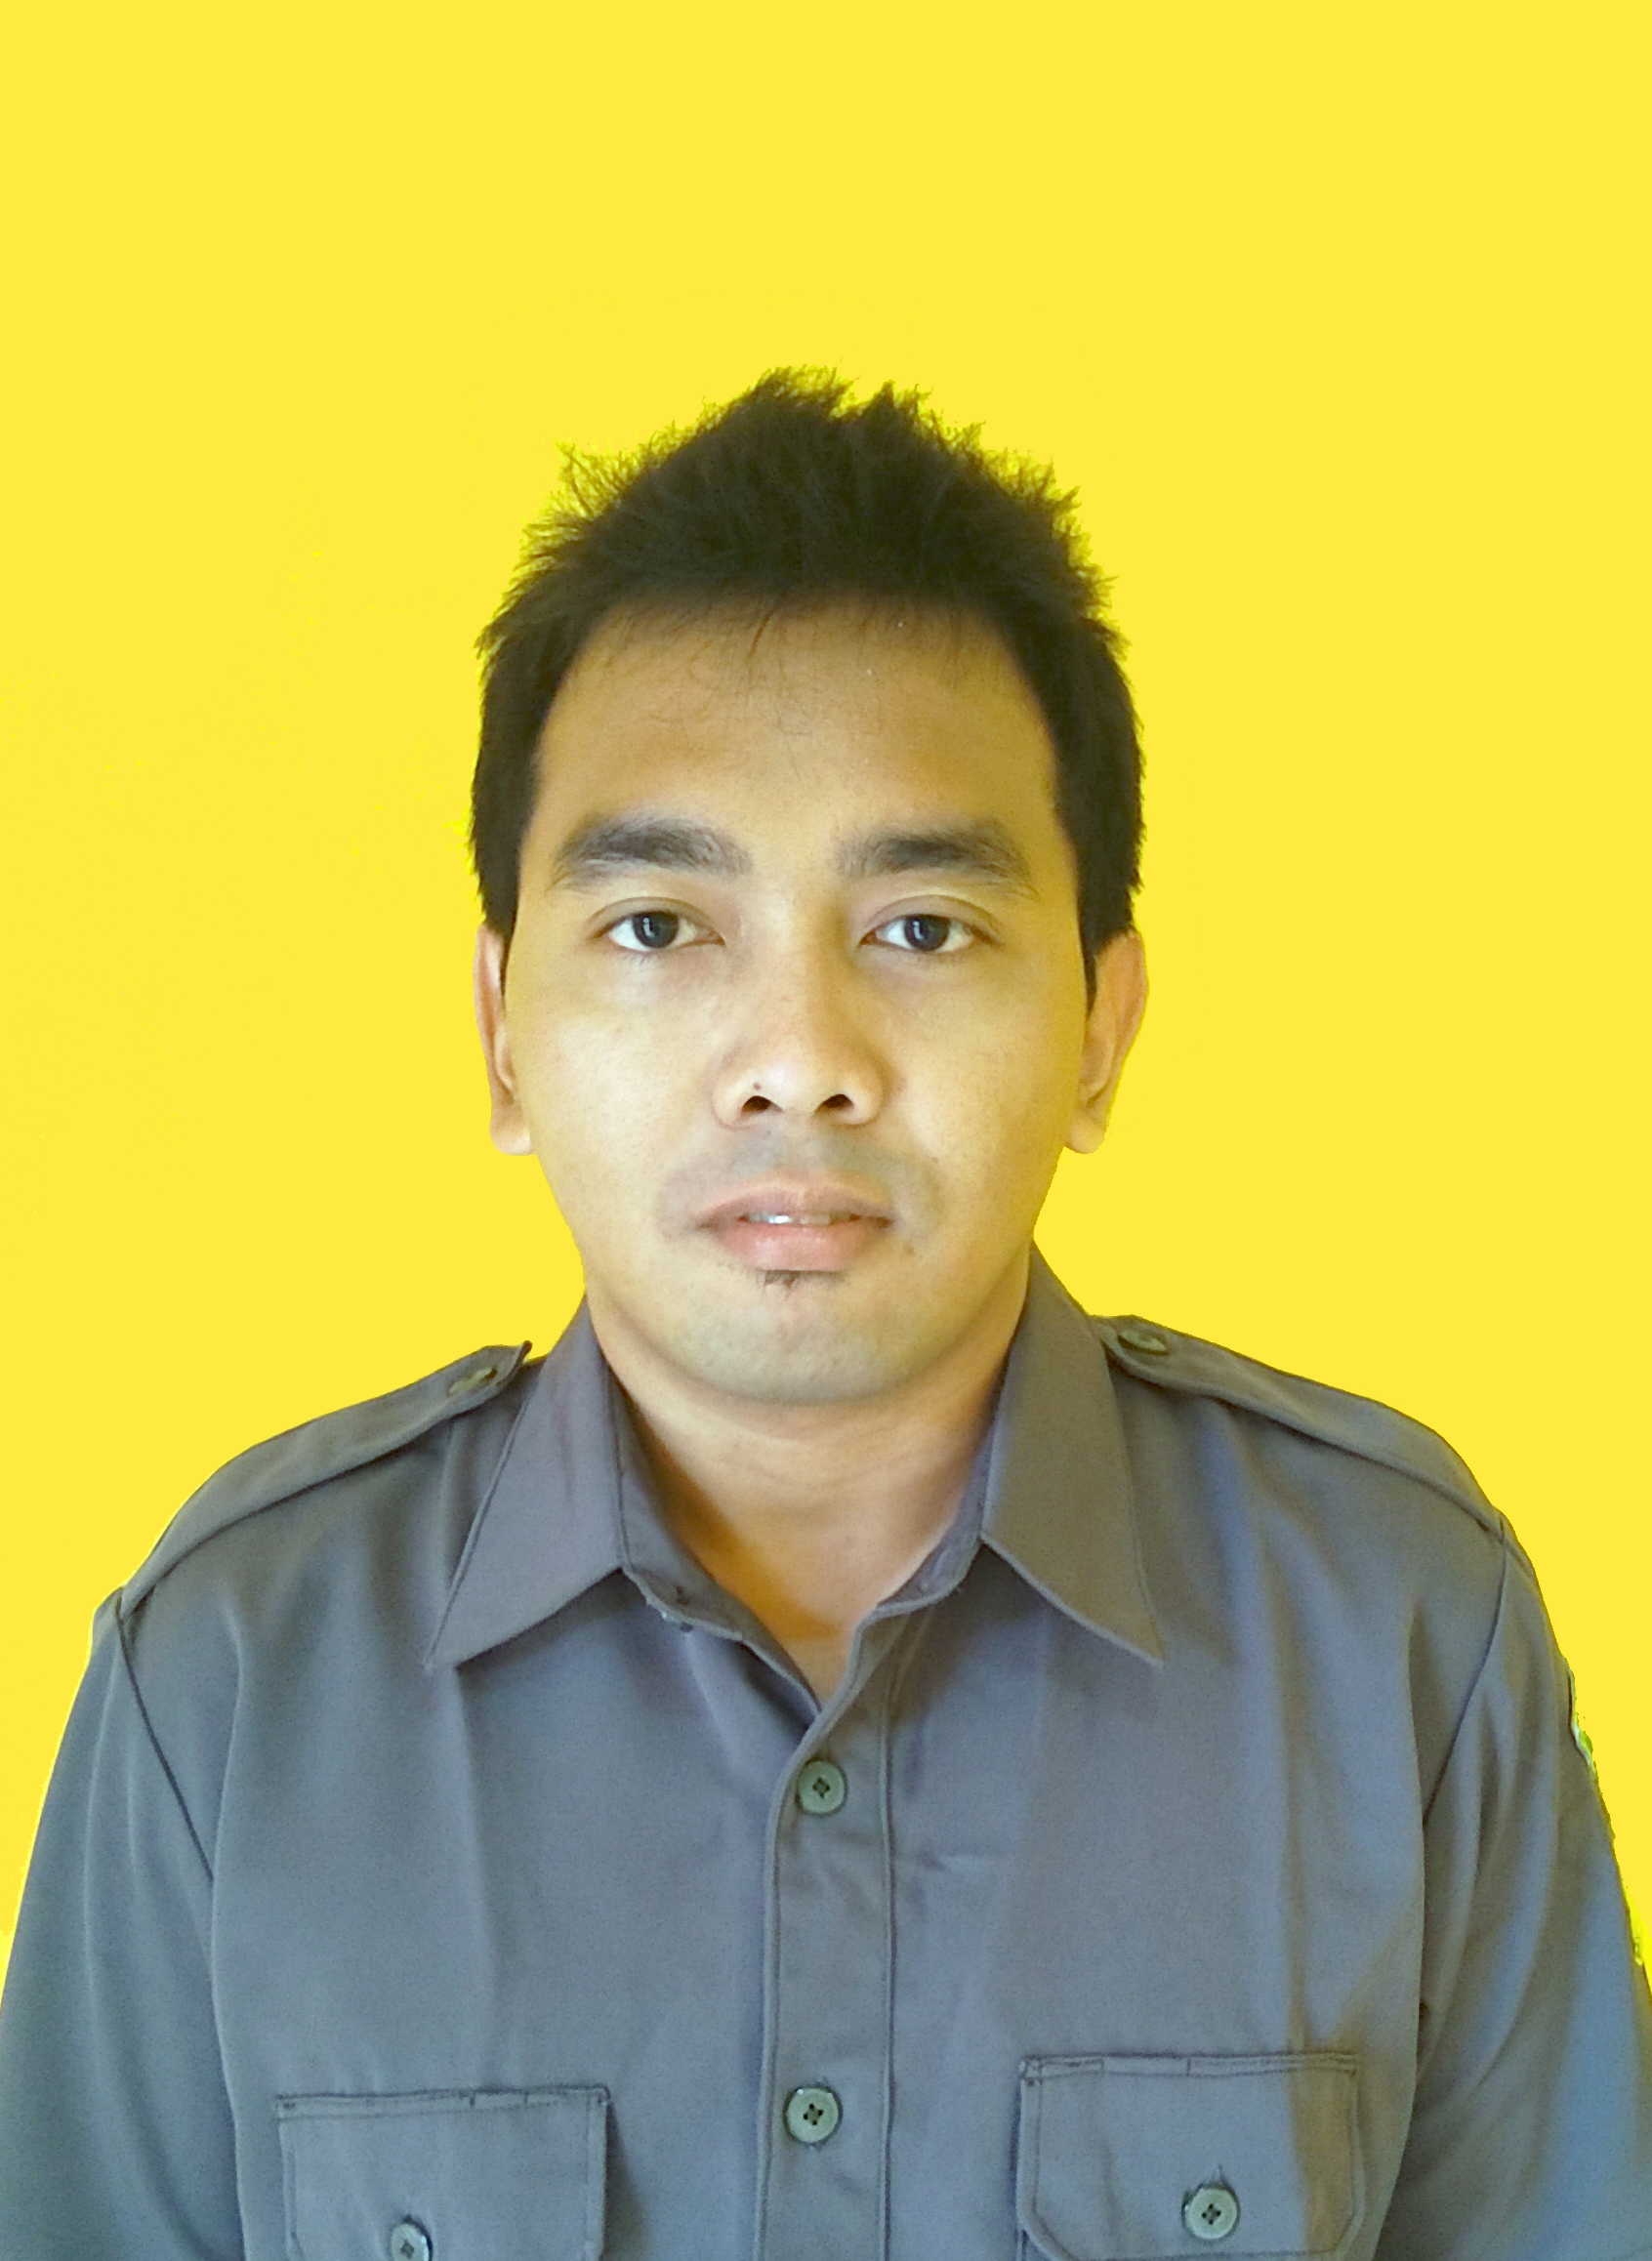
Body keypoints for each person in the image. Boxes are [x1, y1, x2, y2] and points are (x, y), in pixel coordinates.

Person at [1, 368, 1647, 2261]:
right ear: (503, 1034)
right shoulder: (230, 1678)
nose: (798, 1059)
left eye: (921, 929)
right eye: (657, 927)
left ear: (1101, 1030)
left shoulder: (1398, 1635)